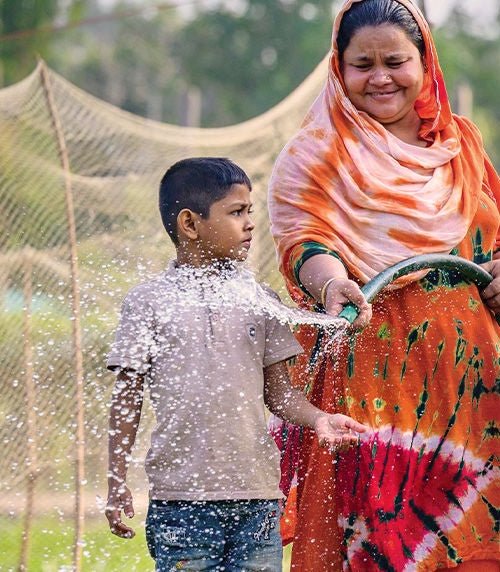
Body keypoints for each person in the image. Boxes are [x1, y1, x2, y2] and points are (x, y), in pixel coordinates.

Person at [267, 0, 500, 571]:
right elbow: (304, 242)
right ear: (339, 68)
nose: (380, 78)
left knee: (467, 532)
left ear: (424, 61)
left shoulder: (461, 144)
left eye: (395, 62)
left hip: (468, 377)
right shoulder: (317, 153)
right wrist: (331, 284)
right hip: (372, 374)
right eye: (363, 65)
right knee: (381, 537)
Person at [104, 157, 368, 571]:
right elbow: (126, 400)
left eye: (250, 211)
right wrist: (116, 479)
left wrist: (319, 418)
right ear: (190, 224)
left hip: (258, 500)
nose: (250, 224)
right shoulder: (149, 303)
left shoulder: (260, 300)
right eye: (236, 212)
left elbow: (279, 395)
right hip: (182, 503)